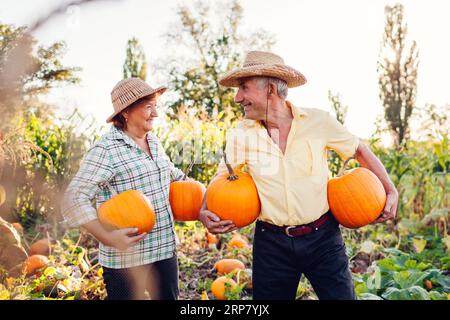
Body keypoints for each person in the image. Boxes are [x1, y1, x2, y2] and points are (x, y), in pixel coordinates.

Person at [198, 51, 399, 300]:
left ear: (270, 89)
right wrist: (203, 210)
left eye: (244, 89)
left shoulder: (318, 121)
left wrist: (390, 189)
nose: (238, 98)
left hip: (323, 238)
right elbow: (221, 178)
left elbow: (359, 149)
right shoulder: (242, 134)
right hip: (271, 243)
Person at [62, 78, 186, 300]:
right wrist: (107, 237)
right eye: (149, 107)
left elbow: (170, 172)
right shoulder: (106, 149)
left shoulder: (153, 141)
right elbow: (74, 198)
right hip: (126, 261)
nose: (155, 114)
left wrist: (204, 193)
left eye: (156, 106)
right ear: (126, 112)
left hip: (164, 250)